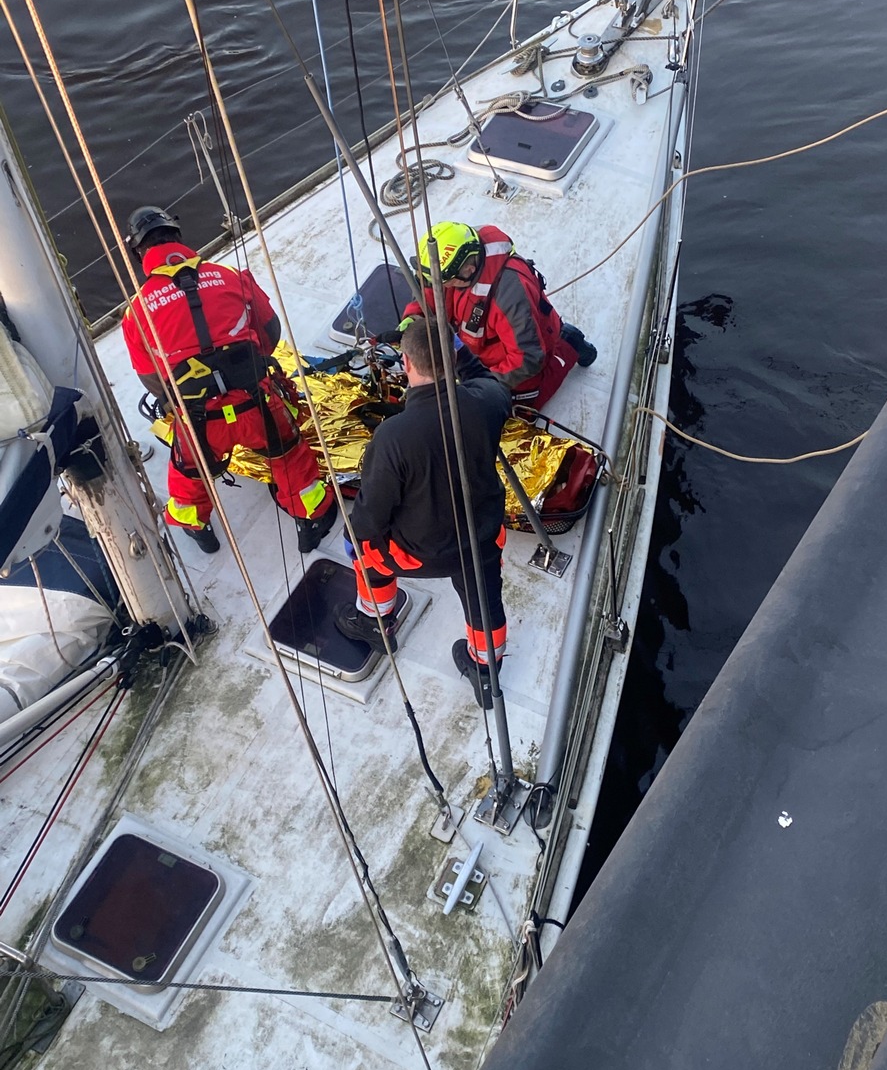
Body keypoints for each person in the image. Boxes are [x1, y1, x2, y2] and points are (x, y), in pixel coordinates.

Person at [121, 205, 336, 554]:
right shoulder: (229, 274)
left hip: (200, 422)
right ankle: (309, 520)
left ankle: (197, 529)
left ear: (138, 252)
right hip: (257, 406)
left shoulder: (137, 310)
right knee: (290, 457)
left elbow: (152, 378)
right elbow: (270, 333)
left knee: (189, 474)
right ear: (178, 235)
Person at [334, 315, 510, 707]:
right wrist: (459, 352)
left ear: (406, 364)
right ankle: (485, 668)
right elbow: (489, 381)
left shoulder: (393, 436)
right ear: (453, 356)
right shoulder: (488, 403)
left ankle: (376, 623)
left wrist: (352, 539)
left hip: (417, 555)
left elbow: (370, 516)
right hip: (481, 542)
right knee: (485, 597)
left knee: (366, 551)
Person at [404, 221, 597, 409]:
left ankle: (569, 343)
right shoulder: (459, 256)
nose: (444, 288)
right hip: (475, 349)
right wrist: (413, 319)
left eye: (447, 283)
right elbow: (428, 289)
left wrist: (482, 386)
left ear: (468, 271)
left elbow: (528, 358)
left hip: (518, 351)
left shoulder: (509, 296)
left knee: (518, 409)